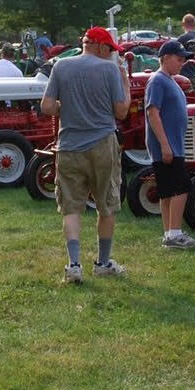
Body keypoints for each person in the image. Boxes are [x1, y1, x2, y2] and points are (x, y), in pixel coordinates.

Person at [40, 26, 131, 284]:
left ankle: (74, 265)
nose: (112, 54)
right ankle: (103, 263)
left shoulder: (61, 66)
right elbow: (122, 111)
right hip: (103, 144)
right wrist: (124, 81)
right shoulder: (110, 70)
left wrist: (66, 108)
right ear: (100, 46)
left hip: (69, 145)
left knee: (70, 207)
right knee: (106, 205)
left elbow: (47, 106)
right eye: (111, 49)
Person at [145, 40, 195, 250]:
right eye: (178, 59)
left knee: (168, 190)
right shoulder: (158, 81)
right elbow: (153, 112)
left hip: (173, 144)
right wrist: (165, 145)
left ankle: (170, 233)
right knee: (181, 187)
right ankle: (175, 234)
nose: (181, 63)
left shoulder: (168, 80)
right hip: (168, 146)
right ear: (165, 58)